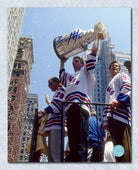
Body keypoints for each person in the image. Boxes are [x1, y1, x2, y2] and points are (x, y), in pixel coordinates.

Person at [59, 33, 102, 162]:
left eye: (76, 61)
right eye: (73, 62)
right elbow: (61, 74)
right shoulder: (71, 77)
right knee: (73, 143)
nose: (74, 63)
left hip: (80, 107)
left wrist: (97, 37)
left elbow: (93, 52)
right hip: (70, 109)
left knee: (80, 144)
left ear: (83, 64)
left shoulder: (86, 72)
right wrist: (62, 61)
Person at [101, 60, 131, 162]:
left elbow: (128, 87)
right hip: (111, 118)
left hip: (121, 117)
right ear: (109, 70)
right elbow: (108, 101)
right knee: (117, 147)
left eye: (117, 66)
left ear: (119, 69)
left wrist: (119, 100)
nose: (114, 67)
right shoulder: (109, 84)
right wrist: (104, 120)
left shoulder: (122, 75)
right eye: (112, 66)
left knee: (124, 146)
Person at [38, 77, 66, 162]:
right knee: (51, 155)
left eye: (50, 83)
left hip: (56, 126)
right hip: (54, 126)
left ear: (56, 82)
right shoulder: (58, 92)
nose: (49, 86)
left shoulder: (61, 90)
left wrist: (42, 113)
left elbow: (56, 105)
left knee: (55, 155)